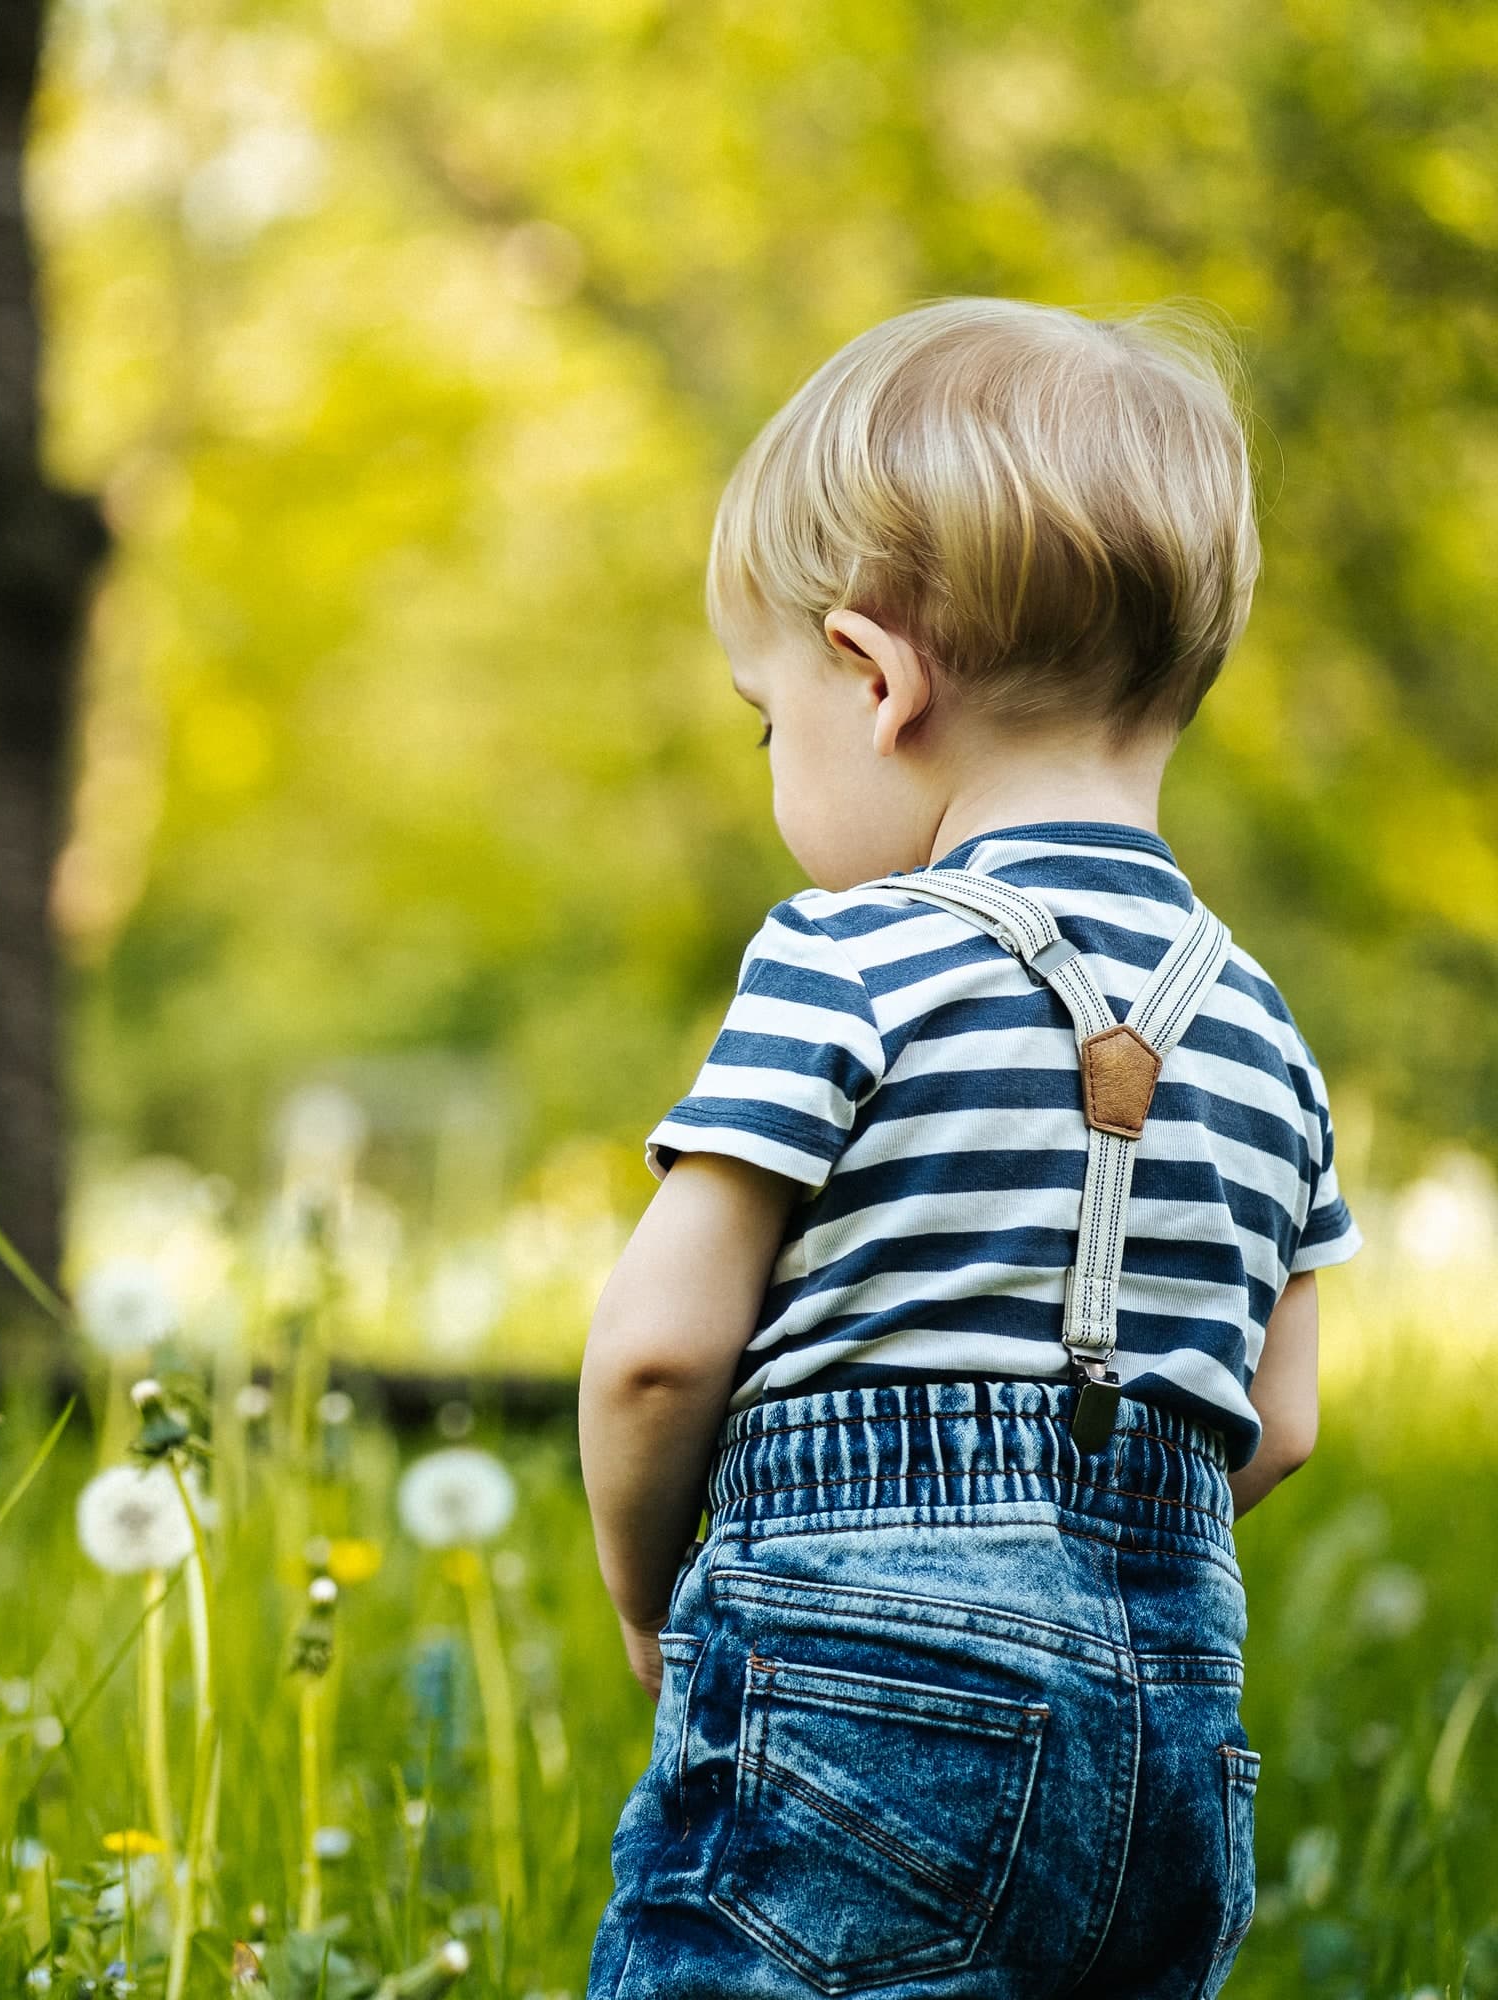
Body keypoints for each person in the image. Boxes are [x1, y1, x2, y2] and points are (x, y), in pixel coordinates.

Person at [581, 300, 1359, 1997]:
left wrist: (654, 1588)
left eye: (765, 718)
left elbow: (654, 1354)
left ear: (874, 679)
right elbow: (1279, 1420)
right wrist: (1083, 1539)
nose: (774, 763)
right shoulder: (1270, 1035)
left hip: (859, 1678)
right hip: (1171, 1717)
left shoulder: (844, 958)